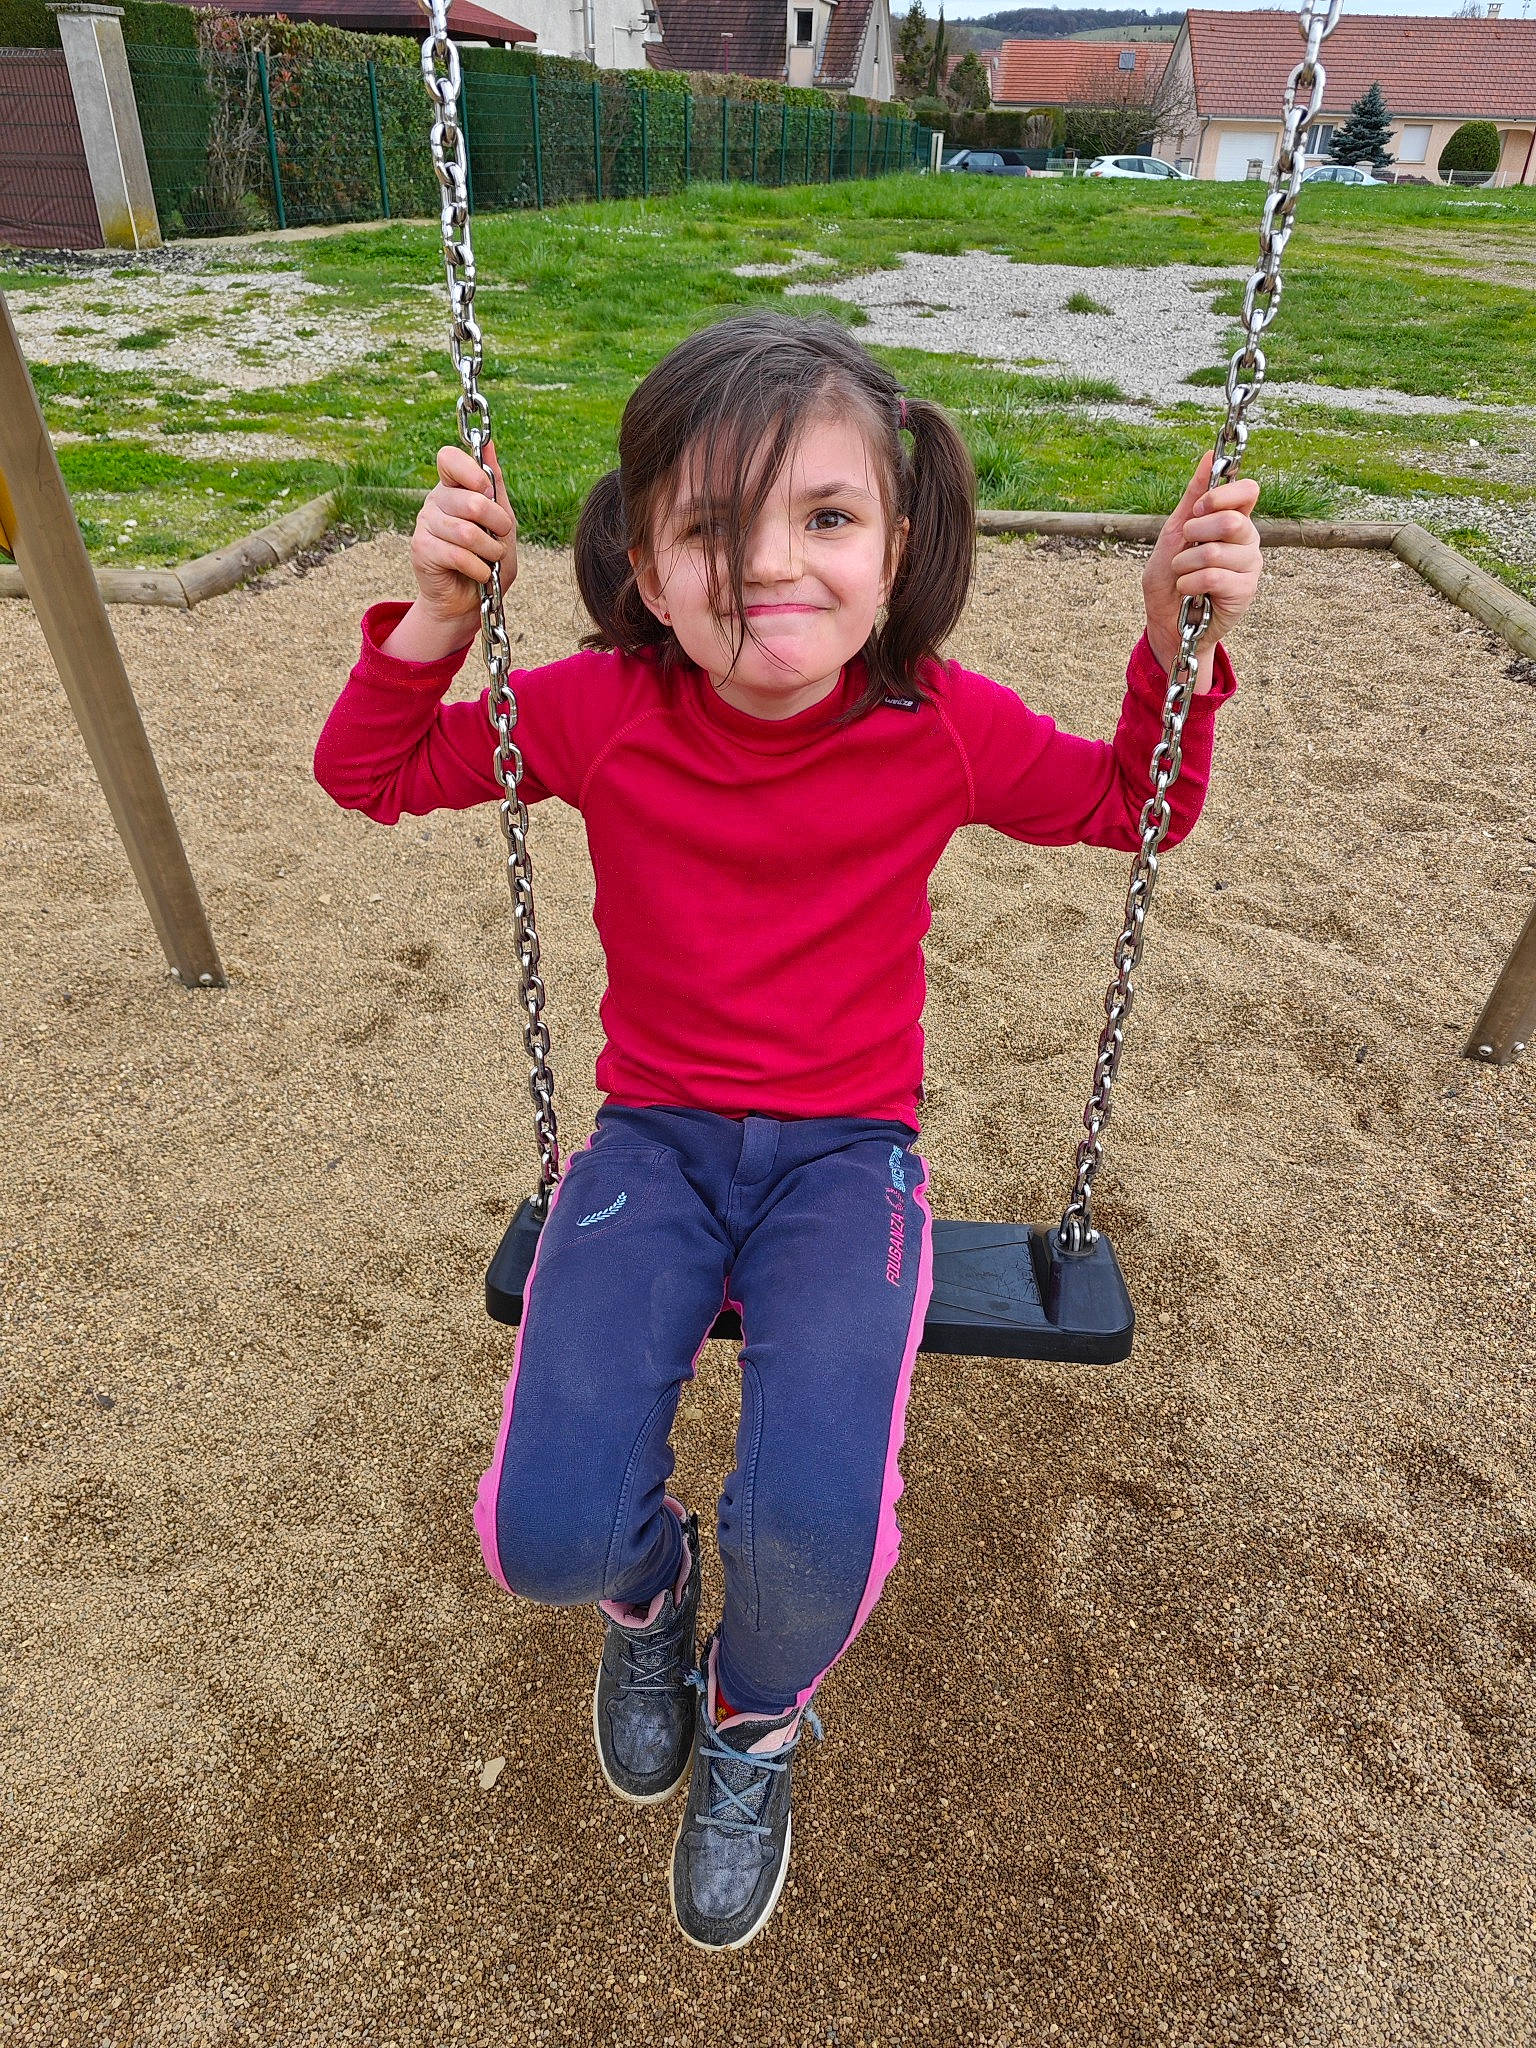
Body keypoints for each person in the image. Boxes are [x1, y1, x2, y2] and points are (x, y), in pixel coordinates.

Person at [313, 312, 1262, 1953]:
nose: (769, 571)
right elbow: (372, 770)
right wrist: (438, 618)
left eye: (824, 518)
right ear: (641, 557)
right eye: (709, 525)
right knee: (538, 1538)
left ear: (901, 545)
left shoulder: (939, 724)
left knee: (818, 1543)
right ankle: (653, 1594)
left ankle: (753, 1727)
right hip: (654, 1146)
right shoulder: (606, 708)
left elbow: (1139, 803)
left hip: (848, 1165)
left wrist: (1172, 639)